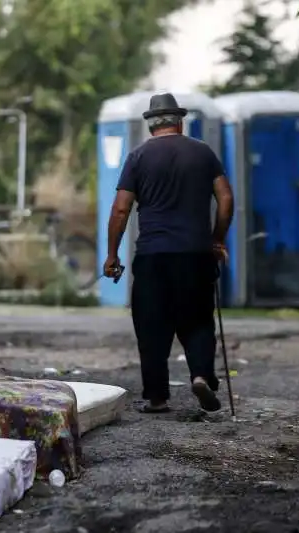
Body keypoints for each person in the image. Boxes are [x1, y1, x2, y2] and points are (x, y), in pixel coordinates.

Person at [102, 92, 234, 414]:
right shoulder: (203, 153)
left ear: (151, 125)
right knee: (199, 320)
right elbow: (226, 198)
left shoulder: (138, 157)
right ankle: (201, 375)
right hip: (195, 254)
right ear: (179, 121)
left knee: (151, 326)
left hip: (153, 255)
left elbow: (121, 209)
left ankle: (158, 397)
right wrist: (216, 239)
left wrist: (112, 255)